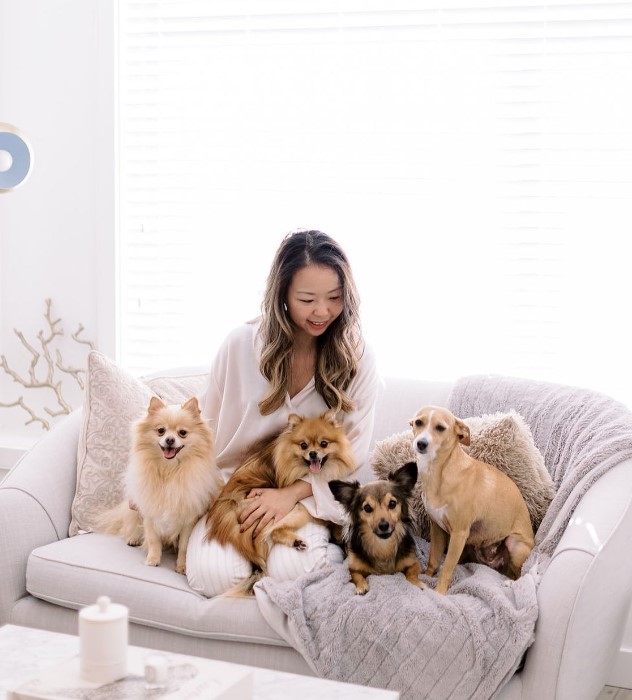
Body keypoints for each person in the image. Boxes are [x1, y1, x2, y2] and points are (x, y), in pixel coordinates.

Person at [186, 229, 380, 596]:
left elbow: (354, 457)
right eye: (307, 299)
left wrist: (290, 493)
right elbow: (203, 432)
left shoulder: (359, 359)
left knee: (297, 570)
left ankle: (323, 556)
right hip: (234, 490)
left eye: (335, 298)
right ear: (283, 297)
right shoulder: (240, 346)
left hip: (310, 495)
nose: (322, 312)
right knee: (215, 576)